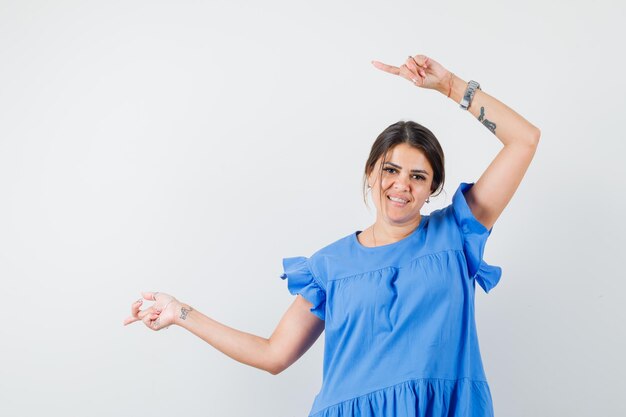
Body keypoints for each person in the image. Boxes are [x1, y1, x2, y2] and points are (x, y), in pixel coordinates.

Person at [124, 53, 540, 417]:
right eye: (391, 170)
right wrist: (181, 313)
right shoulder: (330, 265)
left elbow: (524, 140)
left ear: (433, 188)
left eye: (418, 176)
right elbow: (273, 355)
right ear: (371, 173)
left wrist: (449, 86)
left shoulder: (455, 236)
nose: (401, 185)